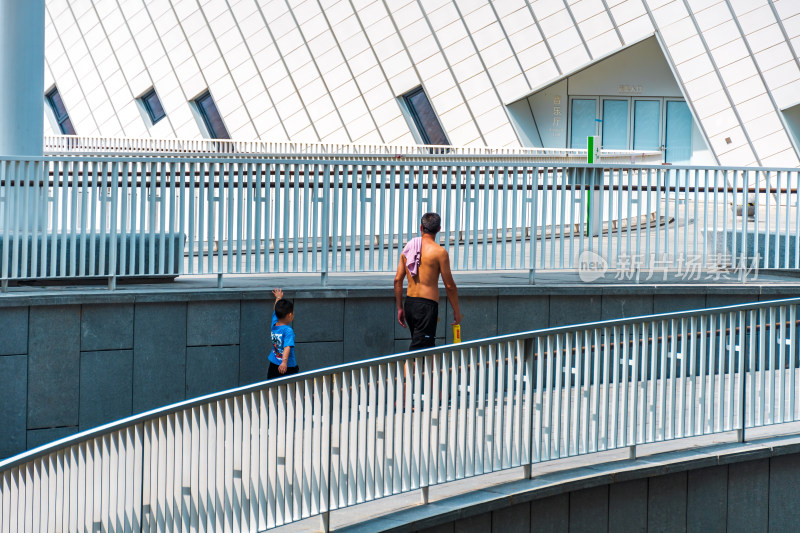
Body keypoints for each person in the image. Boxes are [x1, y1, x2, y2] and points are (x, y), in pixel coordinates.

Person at [394, 212, 462, 350]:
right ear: (439, 229)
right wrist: (456, 310)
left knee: (426, 350)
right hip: (426, 307)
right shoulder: (440, 252)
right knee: (417, 354)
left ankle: (427, 372)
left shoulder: (409, 248)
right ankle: (407, 372)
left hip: (410, 304)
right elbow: (449, 286)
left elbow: (397, 280)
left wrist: (400, 307)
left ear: (421, 227)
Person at [268, 288, 299, 379]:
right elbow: (287, 347)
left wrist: (278, 298)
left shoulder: (274, 323)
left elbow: (275, 309)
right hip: (287, 366)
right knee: (289, 389)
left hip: (273, 363)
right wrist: (284, 362)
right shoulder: (288, 331)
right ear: (290, 315)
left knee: (271, 387)